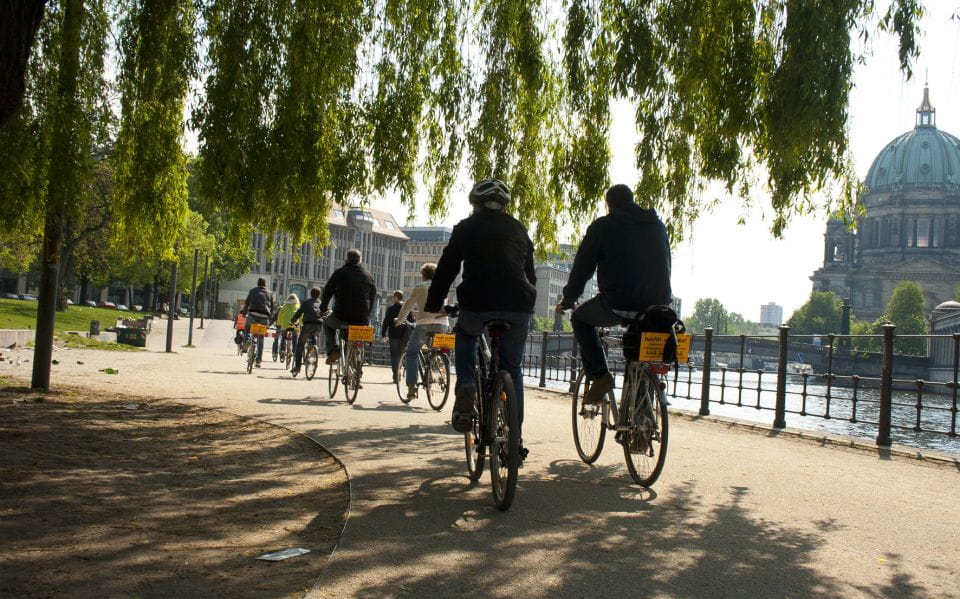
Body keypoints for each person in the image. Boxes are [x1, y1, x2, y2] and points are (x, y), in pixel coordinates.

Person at [424, 178, 536, 454]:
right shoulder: (518, 228)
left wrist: (434, 303)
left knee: (466, 334)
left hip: (477, 301)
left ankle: (465, 384)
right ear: (504, 206)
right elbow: (529, 272)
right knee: (513, 369)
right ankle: (515, 439)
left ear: (474, 204)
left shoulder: (465, 228)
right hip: (517, 304)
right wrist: (527, 304)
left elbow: (446, 269)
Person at [555, 184, 672, 404]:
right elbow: (666, 264)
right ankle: (640, 407)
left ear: (609, 205)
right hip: (658, 306)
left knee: (580, 319)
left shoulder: (603, 226)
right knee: (636, 347)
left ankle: (601, 375)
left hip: (619, 302)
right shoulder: (657, 225)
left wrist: (569, 300)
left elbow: (582, 269)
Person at [396, 263, 450, 400]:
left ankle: (412, 387)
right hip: (442, 323)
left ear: (423, 275)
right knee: (437, 349)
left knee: (412, 353)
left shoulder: (420, 287)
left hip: (424, 323)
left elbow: (408, 304)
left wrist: (400, 319)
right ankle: (437, 361)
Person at [319, 249, 377, 364]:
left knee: (327, 324)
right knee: (357, 339)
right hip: (362, 318)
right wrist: (367, 315)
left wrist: (323, 308)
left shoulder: (340, 272)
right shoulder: (368, 276)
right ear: (360, 261)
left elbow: (328, 291)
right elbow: (372, 297)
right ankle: (357, 368)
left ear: (346, 259)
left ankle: (333, 350)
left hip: (342, 315)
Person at [241, 277, 277, 367]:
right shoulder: (270, 293)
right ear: (265, 284)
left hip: (253, 314)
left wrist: (244, 312)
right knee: (261, 338)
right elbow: (272, 307)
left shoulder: (252, 291)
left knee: (247, 327)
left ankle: (247, 339)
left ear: (258, 284)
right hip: (264, 316)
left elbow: (247, 303)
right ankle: (258, 360)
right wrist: (270, 318)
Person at [289, 287, 324, 376]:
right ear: (319, 295)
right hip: (318, 325)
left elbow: (299, 313)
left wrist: (292, 321)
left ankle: (297, 367)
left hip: (307, 325)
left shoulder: (306, 303)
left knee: (300, 345)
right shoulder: (322, 303)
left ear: (310, 294)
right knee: (314, 336)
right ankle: (313, 350)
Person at [380, 290, 413, 383]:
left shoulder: (391, 309)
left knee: (394, 356)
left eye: (393, 297)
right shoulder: (407, 308)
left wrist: (383, 334)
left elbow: (386, 322)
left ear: (395, 297)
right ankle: (398, 372)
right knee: (401, 355)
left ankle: (396, 376)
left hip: (393, 335)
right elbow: (411, 322)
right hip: (404, 336)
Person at [273, 293, 301, 359]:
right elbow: (301, 317)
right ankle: (294, 352)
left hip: (285, 324)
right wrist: (301, 325)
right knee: (295, 337)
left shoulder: (284, 306)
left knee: (283, 337)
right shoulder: (298, 306)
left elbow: (279, 316)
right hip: (294, 324)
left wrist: (279, 324)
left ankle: (282, 350)